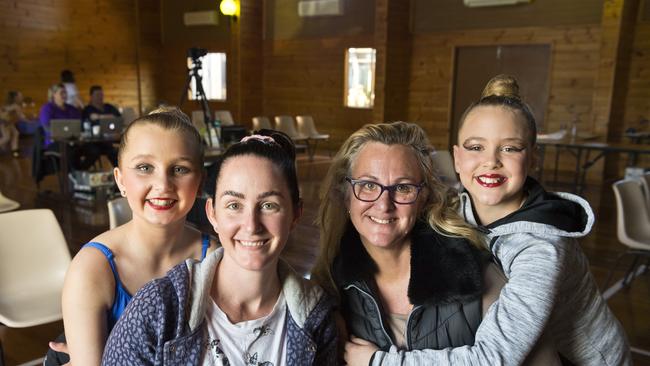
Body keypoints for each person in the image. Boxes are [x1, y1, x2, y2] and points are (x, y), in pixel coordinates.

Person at [350, 75, 631, 365]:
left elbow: (493, 358)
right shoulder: (455, 210)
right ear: (457, 159)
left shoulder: (541, 249)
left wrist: (378, 362)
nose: (491, 161)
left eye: (510, 148)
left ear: (533, 158)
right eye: (476, 147)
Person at [312, 122, 549, 366]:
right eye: (368, 185)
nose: (384, 204)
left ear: (424, 197)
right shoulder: (330, 287)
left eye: (403, 188)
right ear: (345, 194)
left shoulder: (473, 271)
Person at [102, 130, 338, 365]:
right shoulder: (157, 307)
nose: (251, 225)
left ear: (296, 214)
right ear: (212, 213)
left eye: (268, 205)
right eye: (234, 205)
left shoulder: (316, 316)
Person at [45, 107, 215, 365]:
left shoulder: (213, 257)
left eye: (179, 169)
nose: (163, 185)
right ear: (120, 180)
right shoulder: (92, 268)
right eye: (145, 167)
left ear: (200, 183)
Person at [81, 85, 120, 166]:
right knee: (94, 152)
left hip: (109, 140)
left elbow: (118, 118)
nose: (100, 97)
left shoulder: (109, 107)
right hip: (94, 142)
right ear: (91, 96)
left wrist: (99, 117)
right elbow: (87, 123)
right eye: (97, 95)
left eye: (101, 95)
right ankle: (81, 170)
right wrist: (109, 117)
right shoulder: (87, 109)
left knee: (117, 151)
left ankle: (121, 174)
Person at [0, 91, 25, 157]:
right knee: (6, 137)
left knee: (16, 133)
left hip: (8, 122)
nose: (22, 97)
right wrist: (29, 121)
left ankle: (15, 149)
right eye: (20, 96)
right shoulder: (15, 106)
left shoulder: (8, 104)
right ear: (16, 98)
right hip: (4, 122)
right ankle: (14, 149)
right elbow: (21, 117)